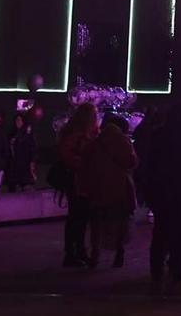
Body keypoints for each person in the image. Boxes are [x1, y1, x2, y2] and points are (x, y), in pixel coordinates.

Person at [138, 101, 181, 287]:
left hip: (162, 189)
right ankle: (176, 269)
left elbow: (149, 164)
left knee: (161, 230)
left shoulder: (159, 135)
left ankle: (156, 270)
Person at [77, 112, 139, 268]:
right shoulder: (124, 141)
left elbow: (85, 165)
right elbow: (132, 162)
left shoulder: (95, 143)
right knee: (120, 222)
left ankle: (95, 254)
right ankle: (119, 253)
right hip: (119, 189)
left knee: (97, 223)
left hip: (98, 189)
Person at [55, 103, 100, 267]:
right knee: (77, 217)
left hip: (83, 180)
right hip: (78, 180)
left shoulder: (77, 132)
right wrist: (84, 162)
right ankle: (74, 253)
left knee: (79, 217)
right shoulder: (77, 134)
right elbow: (67, 155)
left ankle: (77, 251)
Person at [5, 112, 36, 192]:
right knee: (12, 186)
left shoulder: (27, 134)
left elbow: (32, 148)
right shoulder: (12, 133)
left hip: (24, 163)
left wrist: (32, 162)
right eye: (16, 120)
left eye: (19, 120)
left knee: (25, 186)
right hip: (13, 164)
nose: (17, 122)